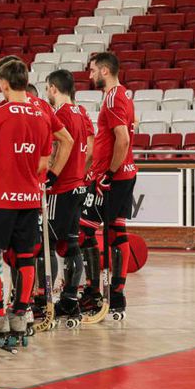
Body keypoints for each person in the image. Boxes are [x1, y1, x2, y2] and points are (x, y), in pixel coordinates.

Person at [0, 60, 72, 340]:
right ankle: (19, 317)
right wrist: (51, 174)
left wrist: (3, 170)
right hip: (30, 198)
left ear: (3, 83)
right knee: (27, 256)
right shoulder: (41, 110)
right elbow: (59, 146)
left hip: (0, 199)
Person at [81, 52, 137, 318]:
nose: (90, 75)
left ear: (104, 71)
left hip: (110, 176)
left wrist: (108, 174)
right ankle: (116, 296)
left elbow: (122, 139)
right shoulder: (124, 95)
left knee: (83, 231)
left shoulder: (114, 98)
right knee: (117, 231)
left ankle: (92, 293)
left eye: (93, 70)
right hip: (124, 174)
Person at [42, 69, 92, 325]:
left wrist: (53, 173)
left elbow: (63, 144)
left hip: (61, 190)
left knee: (46, 243)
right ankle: (70, 300)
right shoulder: (81, 112)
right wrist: (80, 172)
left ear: (53, 88)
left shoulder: (59, 114)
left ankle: (45, 300)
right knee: (72, 245)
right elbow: (91, 144)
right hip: (78, 187)